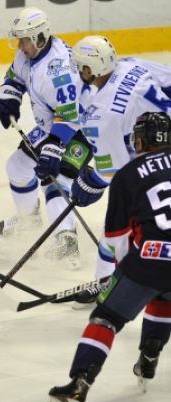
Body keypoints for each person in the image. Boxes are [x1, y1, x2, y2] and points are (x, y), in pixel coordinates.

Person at [47, 112, 171, 402]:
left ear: (139, 140)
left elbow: (117, 237)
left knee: (106, 317)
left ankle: (78, 385)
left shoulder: (128, 174)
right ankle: (150, 354)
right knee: (164, 294)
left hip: (148, 261)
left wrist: (121, 271)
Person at [63, 35, 171, 304]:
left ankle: (111, 292)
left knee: (116, 236)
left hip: (159, 166)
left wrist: (89, 182)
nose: (78, 72)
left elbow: (116, 171)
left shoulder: (103, 115)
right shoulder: (132, 65)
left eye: (80, 67)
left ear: (90, 69)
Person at [0, 7, 91, 269]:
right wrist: (8, 98)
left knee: (54, 179)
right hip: (51, 125)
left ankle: (66, 238)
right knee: (17, 167)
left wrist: (53, 150)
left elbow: (71, 118)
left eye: (23, 40)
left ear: (39, 38)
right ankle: (29, 219)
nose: (19, 45)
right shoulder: (28, 53)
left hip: (84, 128)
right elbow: (14, 77)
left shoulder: (59, 72)